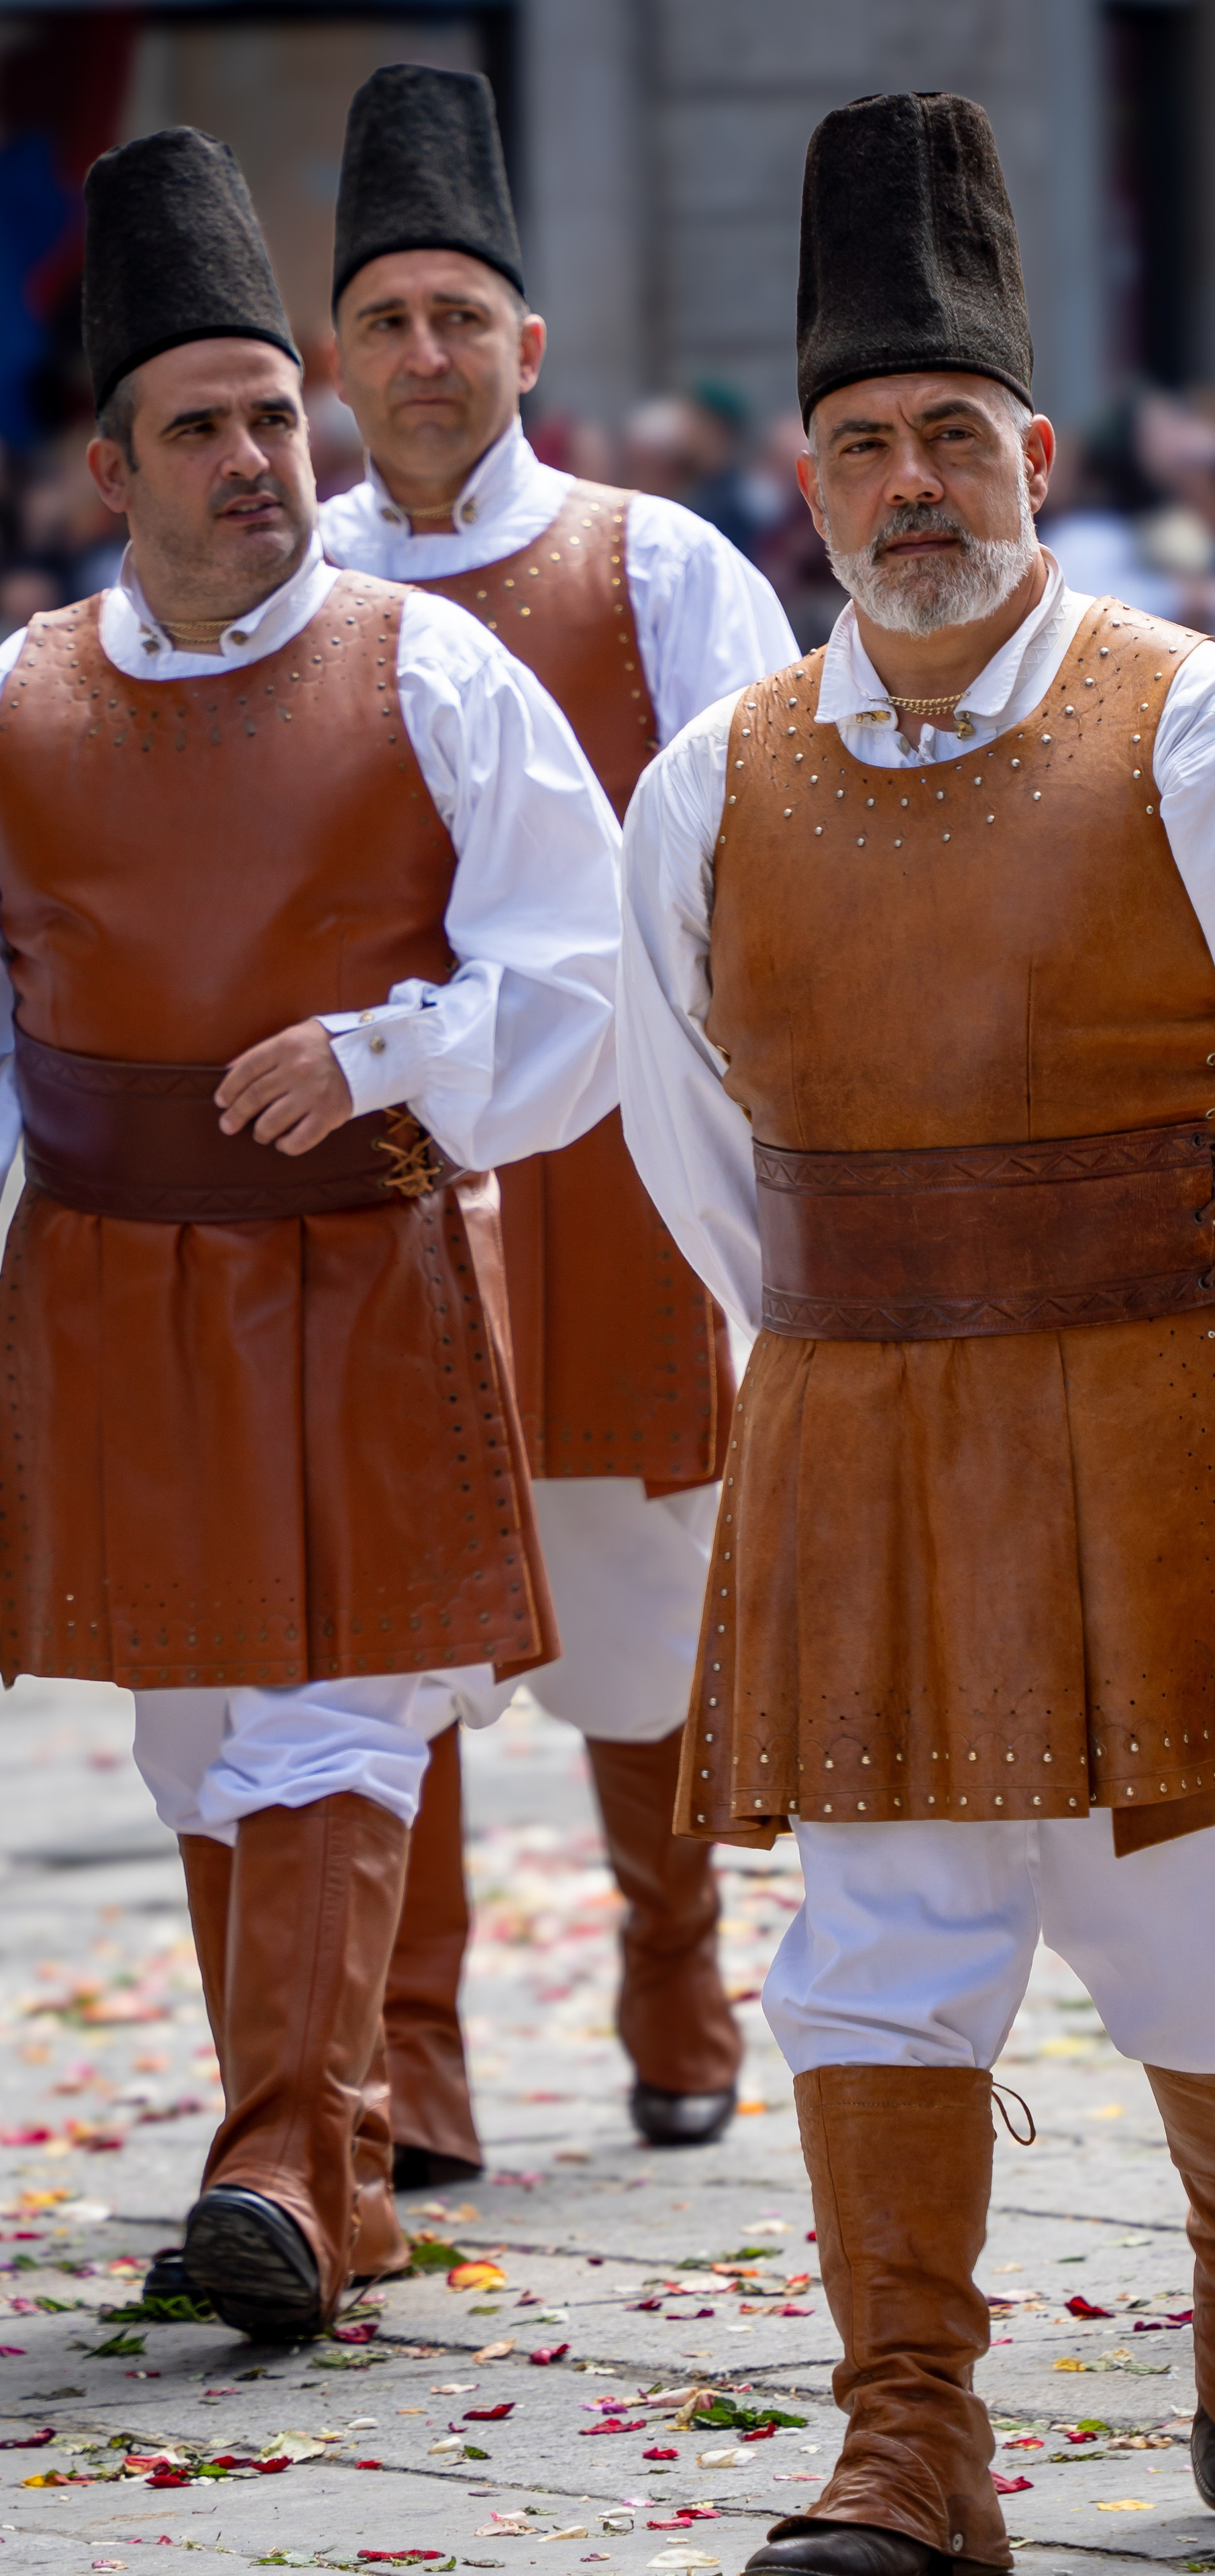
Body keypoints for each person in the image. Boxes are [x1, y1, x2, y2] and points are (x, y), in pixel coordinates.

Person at [619, 91, 1215, 2557]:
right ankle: (909, 2445)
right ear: (808, 474)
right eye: (864, 444)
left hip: (1163, 1395)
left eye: (952, 436)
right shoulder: (711, 787)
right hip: (860, 1417)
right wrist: (878, 1339)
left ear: (1038, 448)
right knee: (877, 1933)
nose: (910, 486)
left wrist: (1210, 1354)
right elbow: (705, 1166)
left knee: (1180, 1912)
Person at [0, 127, 621, 2339]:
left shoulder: (429, 675)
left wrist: (384, 1054)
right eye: (207, 425)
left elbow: (585, 978)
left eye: (281, 411)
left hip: (367, 1259)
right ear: (110, 465)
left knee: (338, 1721)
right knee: (200, 1738)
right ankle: (332, 2190)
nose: (264, 455)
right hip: (115, 1275)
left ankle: (271, 2156)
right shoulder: (21, 705)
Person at [321, 64, 796, 2168]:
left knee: (646, 1581)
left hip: (603, 1160)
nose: (426, 355)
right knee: (383, 1602)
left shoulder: (656, 567)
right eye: (386, 319)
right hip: (361, 1176)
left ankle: (670, 1953)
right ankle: (406, 2050)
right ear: (335, 356)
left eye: (460, 316)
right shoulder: (284, 582)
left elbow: (759, 855)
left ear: (531, 344)